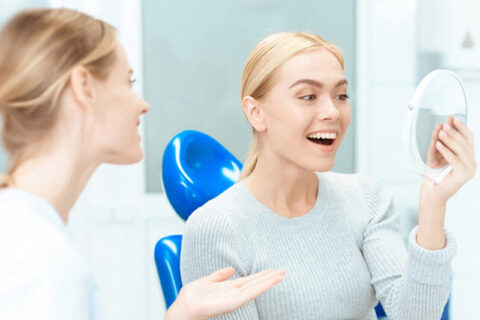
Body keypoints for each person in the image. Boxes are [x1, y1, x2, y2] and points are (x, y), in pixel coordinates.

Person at [0, 8, 284, 320]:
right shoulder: (40, 263)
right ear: (84, 86)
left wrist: (180, 313)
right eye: (128, 81)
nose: (143, 104)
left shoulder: (24, 235)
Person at [180, 32, 477, 319]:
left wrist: (434, 202)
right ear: (256, 113)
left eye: (341, 95)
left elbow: (416, 316)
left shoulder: (367, 199)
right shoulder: (215, 229)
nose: (332, 111)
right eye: (308, 96)